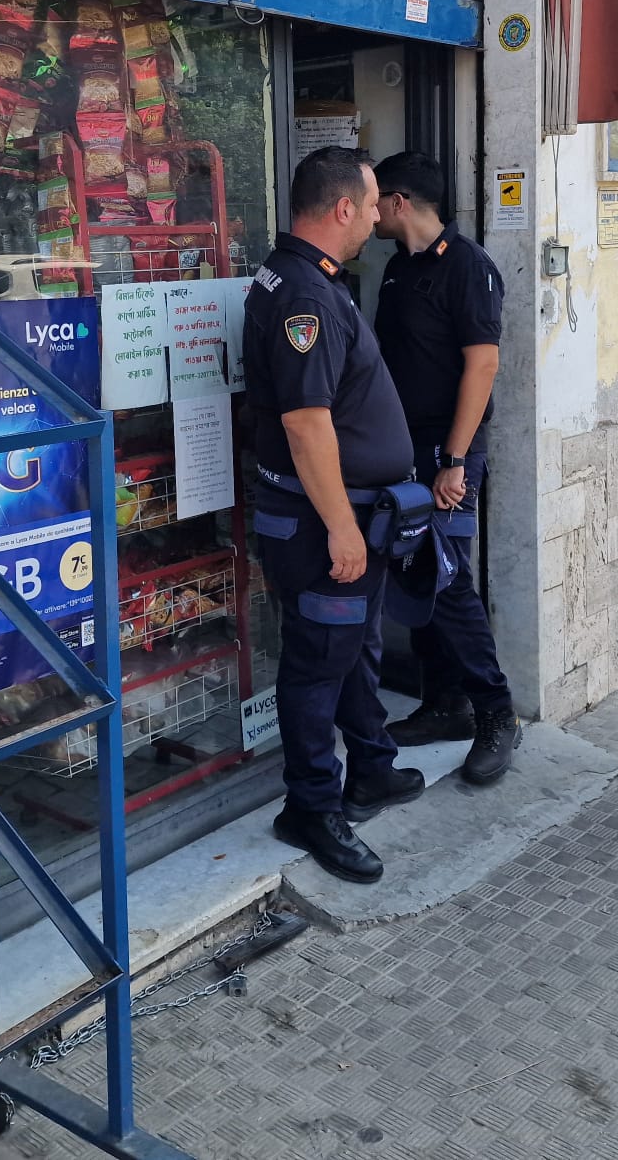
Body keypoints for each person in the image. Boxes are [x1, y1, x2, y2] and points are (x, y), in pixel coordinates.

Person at [244, 147, 426, 883]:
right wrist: (344, 530)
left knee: (350, 650)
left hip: (347, 516)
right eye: (373, 202)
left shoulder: (305, 278)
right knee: (318, 664)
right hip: (324, 525)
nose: (379, 216)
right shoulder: (305, 297)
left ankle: (371, 767)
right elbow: (306, 424)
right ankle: (312, 808)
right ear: (344, 207)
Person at [369, 151, 521, 785]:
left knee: (449, 580)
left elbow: (482, 366)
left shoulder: (467, 266)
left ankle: (496, 714)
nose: (369, 211)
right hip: (401, 450)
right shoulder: (396, 268)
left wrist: (456, 460)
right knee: (417, 575)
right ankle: (445, 703)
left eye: (375, 199)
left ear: (399, 202)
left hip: (447, 453)